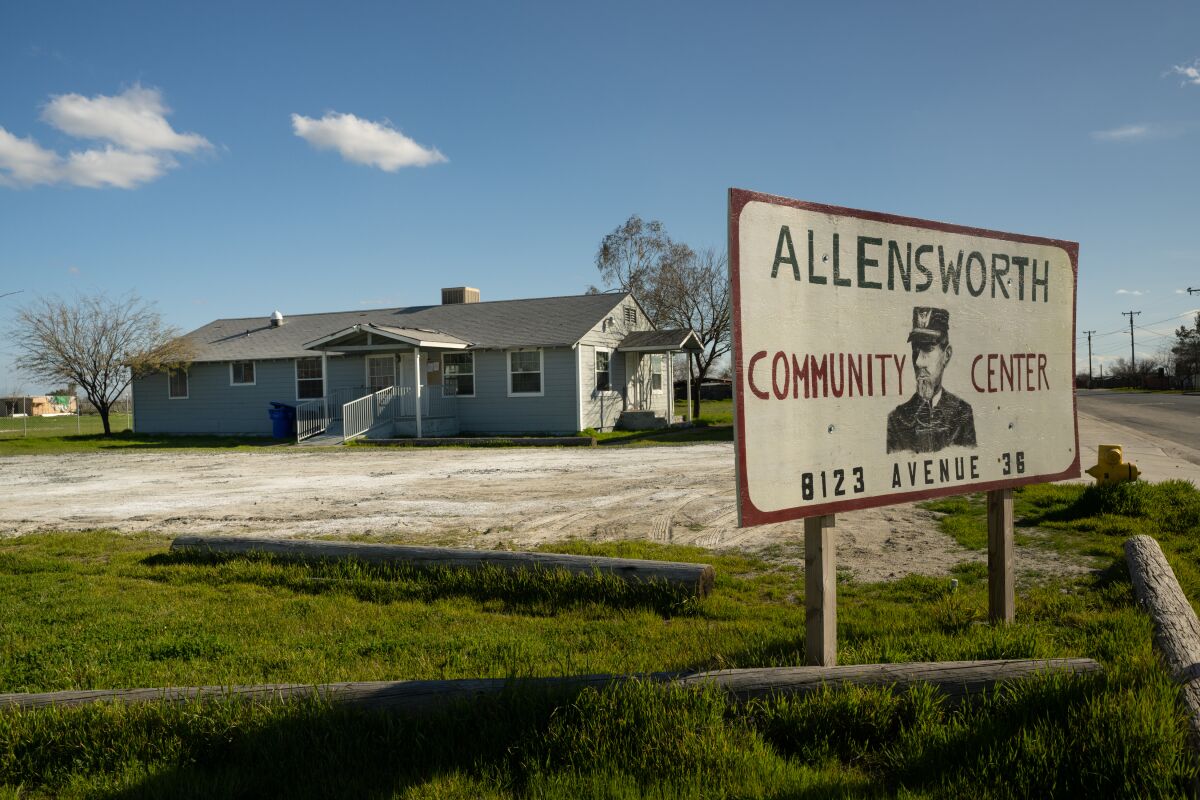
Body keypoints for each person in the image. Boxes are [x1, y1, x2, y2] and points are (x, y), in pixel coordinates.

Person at [886, 307, 976, 453]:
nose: (918, 362)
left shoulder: (962, 414)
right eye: (915, 350)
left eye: (927, 349)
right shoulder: (897, 420)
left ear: (946, 355)